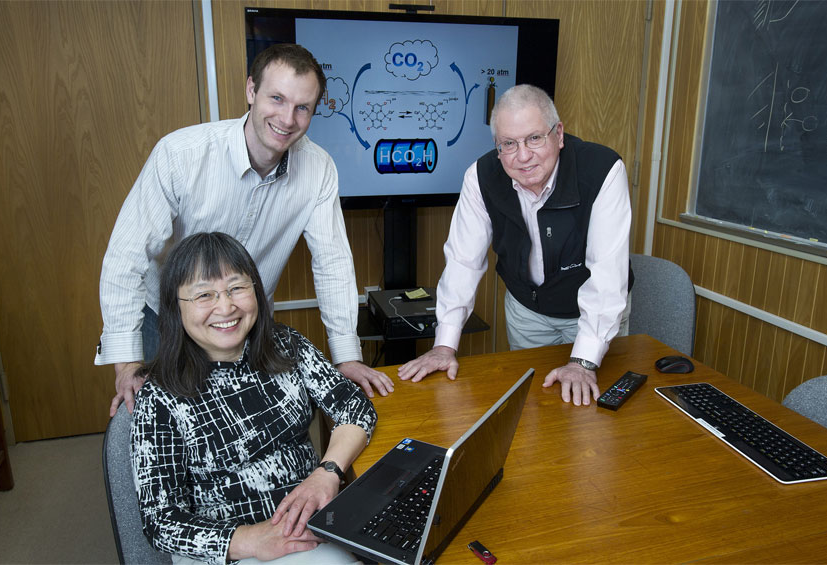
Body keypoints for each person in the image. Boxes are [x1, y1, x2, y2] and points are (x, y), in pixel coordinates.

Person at [97, 44, 393, 417]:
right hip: (169, 318)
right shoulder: (180, 154)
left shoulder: (319, 169)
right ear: (251, 91)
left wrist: (346, 356)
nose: (287, 119)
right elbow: (126, 256)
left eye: (302, 107)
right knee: (162, 428)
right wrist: (125, 362)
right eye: (277, 98)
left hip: (246, 322)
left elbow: (332, 262)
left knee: (243, 432)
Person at [131, 232, 377, 565]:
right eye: (204, 295)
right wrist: (250, 540)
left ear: (255, 290)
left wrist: (327, 472)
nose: (225, 306)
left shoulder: (285, 344)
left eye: (236, 288)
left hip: (309, 527)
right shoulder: (158, 397)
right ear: (175, 307)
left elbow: (355, 407)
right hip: (226, 547)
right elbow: (160, 520)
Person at [397, 84, 632, 406]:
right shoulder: (480, 177)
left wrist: (583, 362)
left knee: (593, 411)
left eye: (535, 138)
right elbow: (463, 261)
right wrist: (444, 346)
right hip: (527, 312)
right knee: (534, 405)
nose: (522, 156)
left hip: (595, 315)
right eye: (508, 144)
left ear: (558, 134)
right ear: (497, 146)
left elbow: (607, 273)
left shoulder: (602, 169)